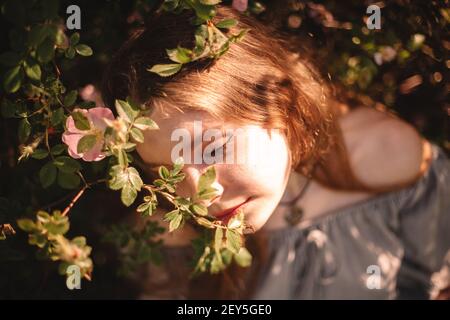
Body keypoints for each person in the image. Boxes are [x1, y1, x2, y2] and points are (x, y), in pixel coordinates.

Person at [101, 6, 450, 299]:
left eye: (210, 150)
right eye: (167, 172)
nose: (200, 197)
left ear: (278, 100)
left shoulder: (387, 154)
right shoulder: (164, 232)